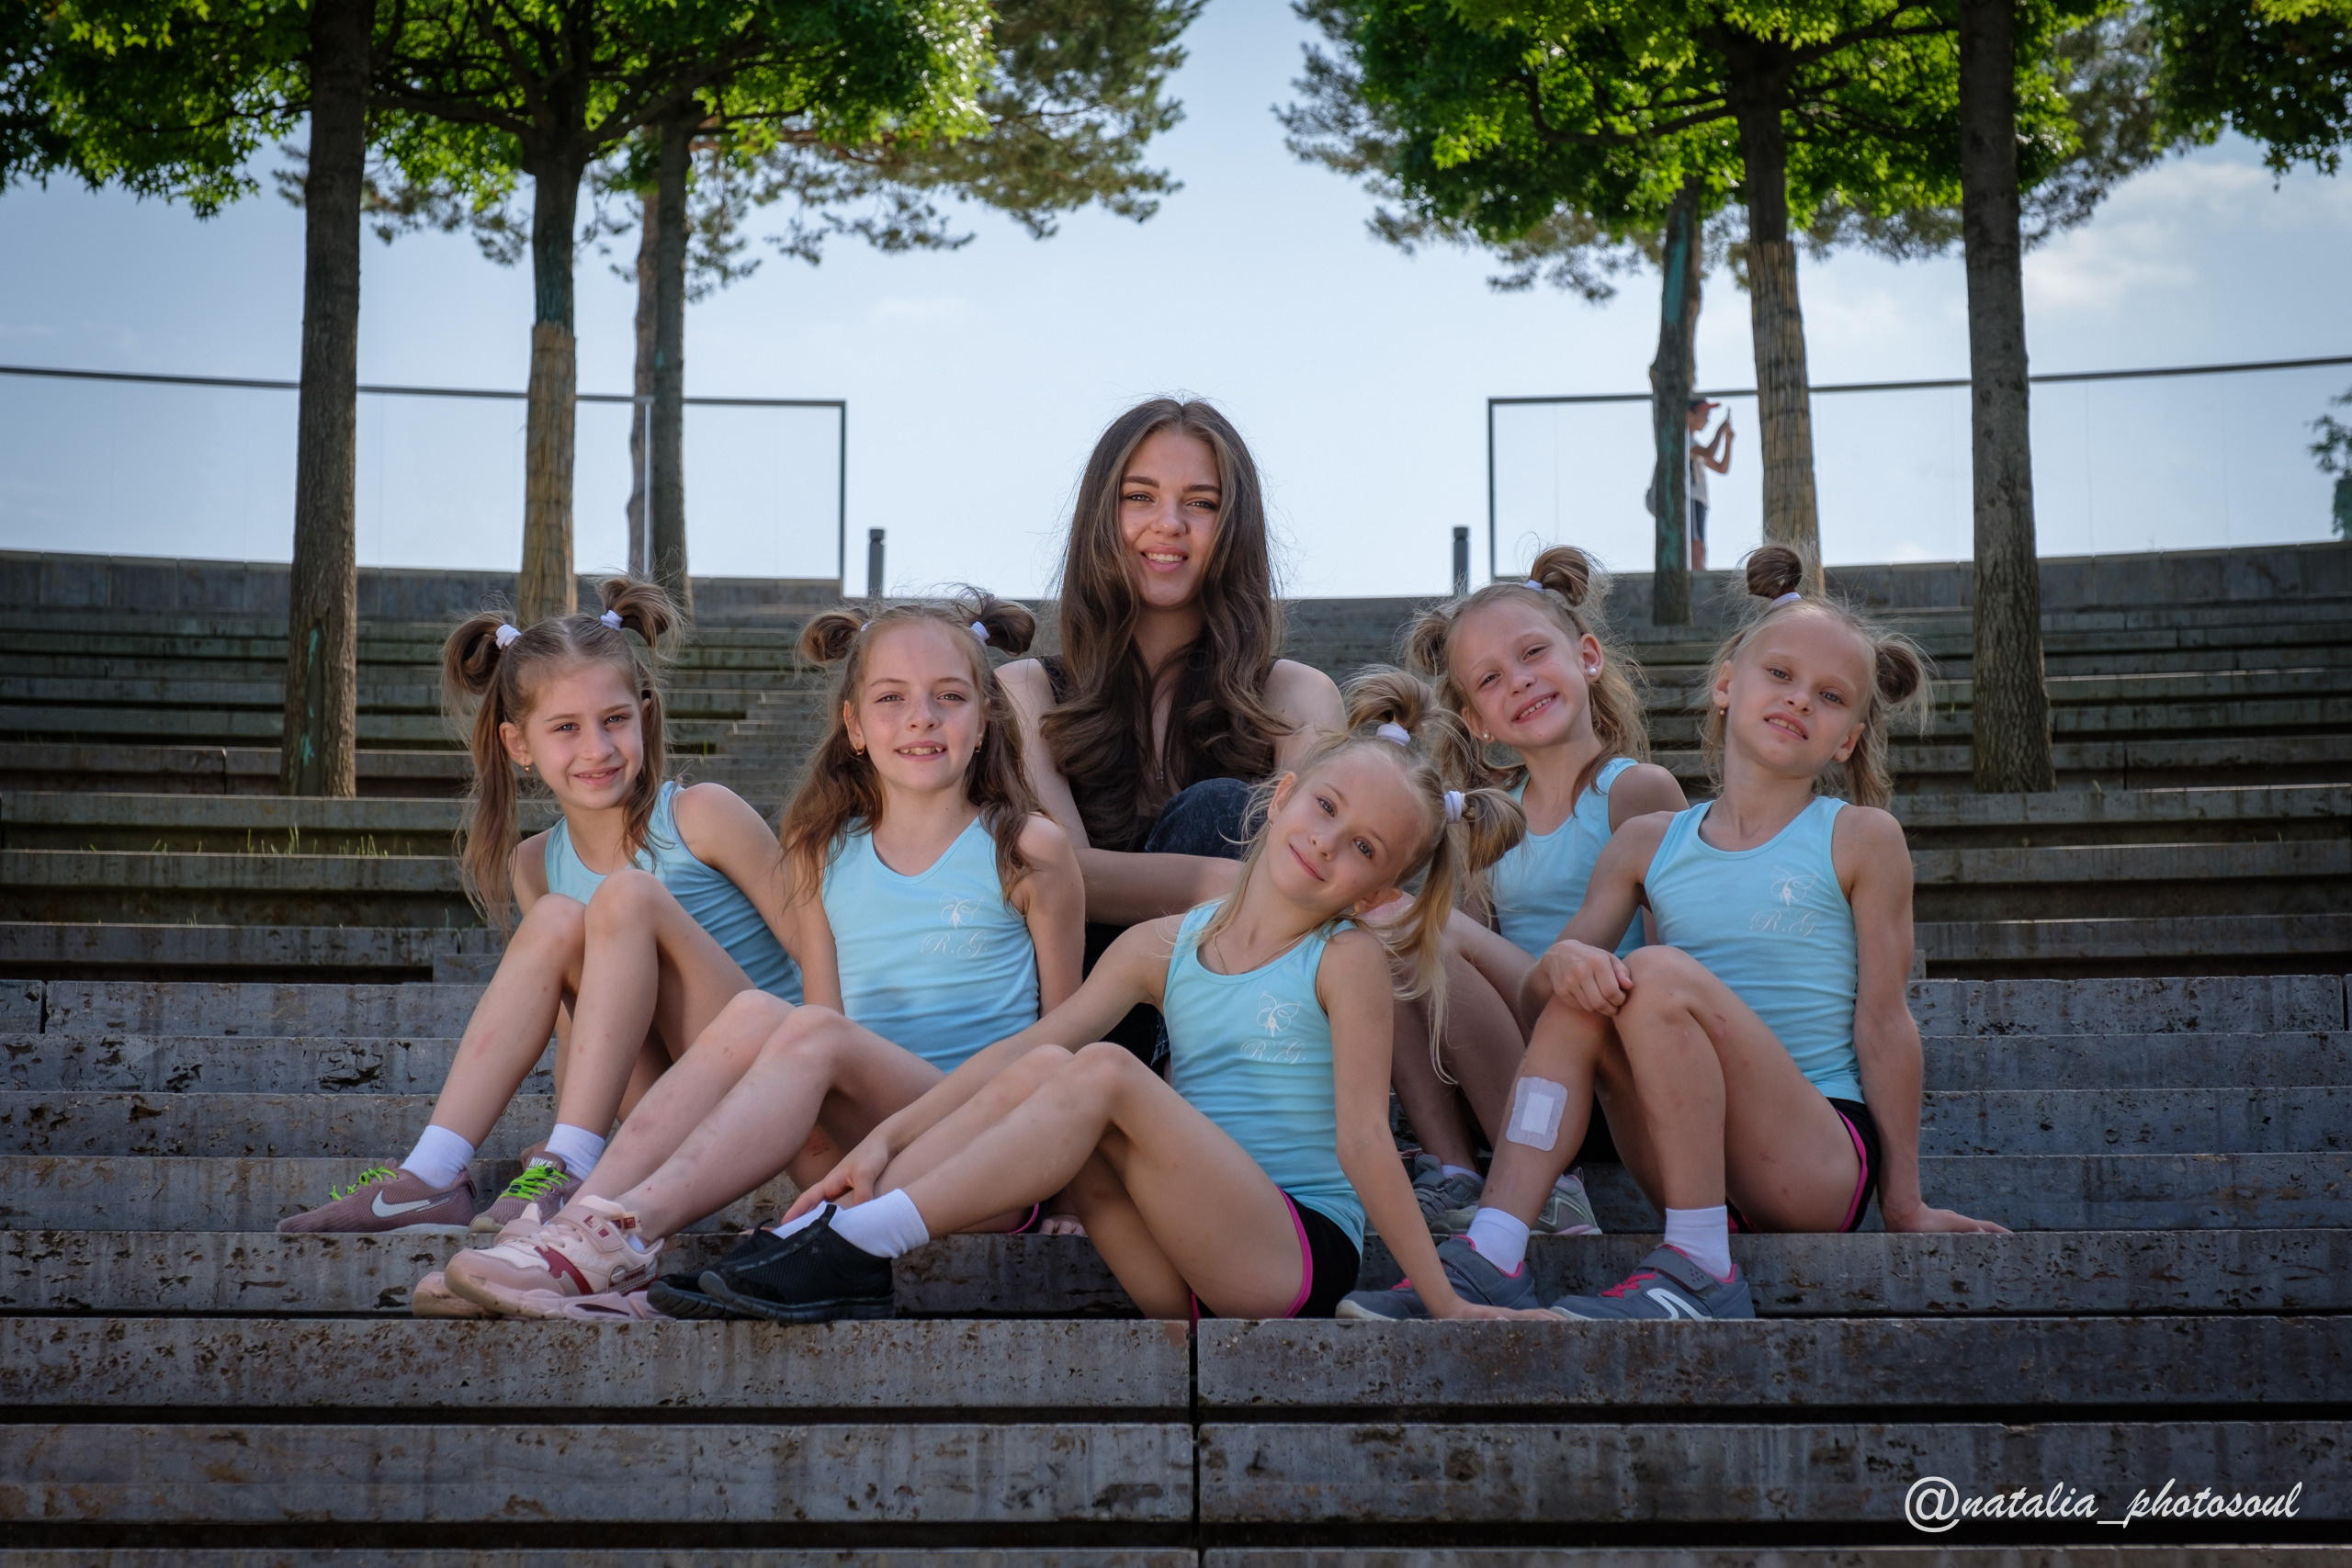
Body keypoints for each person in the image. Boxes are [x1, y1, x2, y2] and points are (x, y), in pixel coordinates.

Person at [627, 671, 1528, 1325]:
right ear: (1284, 794)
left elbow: (1365, 1140)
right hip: (1172, 1271)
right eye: (1327, 808)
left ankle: (859, 1245)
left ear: (1376, 894)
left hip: (1287, 1257)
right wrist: (885, 1138)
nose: (1330, 843)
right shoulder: (1161, 946)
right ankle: (841, 1224)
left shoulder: (1345, 959)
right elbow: (1022, 1055)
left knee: (1106, 1070)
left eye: (1365, 848)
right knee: (1052, 1067)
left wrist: (1443, 1298)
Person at [1343, 545, 2005, 1325]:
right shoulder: (1648, 843)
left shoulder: (1862, 837)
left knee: (1649, 971)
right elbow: (1537, 998)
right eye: (1780, 674)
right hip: (1685, 1154)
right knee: (1590, 984)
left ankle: (1699, 1266)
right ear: (1727, 685)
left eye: (1830, 696)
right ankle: (1492, 1249)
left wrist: (1904, 1201)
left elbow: (1886, 1022)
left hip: (1814, 1159)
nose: (1799, 699)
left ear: (1847, 740)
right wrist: (1562, 963)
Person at [433, 592, 1085, 1317]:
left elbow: (1067, 1038)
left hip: (980, 1159)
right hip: (849, 1156)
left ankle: (614, 1232)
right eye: (892, 697)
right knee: (765, 1018)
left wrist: (1070, 1197)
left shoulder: (1030, 850)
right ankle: (560, 1237)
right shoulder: (821, 853)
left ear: (986, 717)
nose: (922, 717)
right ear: (854, 726)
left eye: (950, 697)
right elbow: (823, 1019)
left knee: (800, 1026)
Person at [279, 579, 825, 1238]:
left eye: (614, 719)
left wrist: (853, 1108)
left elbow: (822, 955)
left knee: (626, 896)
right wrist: (567, 1124)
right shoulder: (535, 864)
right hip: (668, 1111)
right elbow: (581, 1027)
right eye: (566, 727)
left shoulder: (702, 814)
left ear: (644, 715)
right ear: (519, 746)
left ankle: (575, 1163)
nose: (597, 747)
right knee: (560, 919)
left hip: (777, 1088)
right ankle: (433, 1172)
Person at [1000, 398, 1344, 1058]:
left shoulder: (1297, 696)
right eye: (1140, 496)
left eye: (1202, 503)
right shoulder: (1027, 691)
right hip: (1088, 1022)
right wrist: (1244, 884)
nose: (1169, 524)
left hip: (1242, 1030)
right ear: (1102, 516)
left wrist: (1273, 887)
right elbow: (1063, 877)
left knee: (1218, 810)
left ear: (1234, 526)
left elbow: (1323, 885)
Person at [1390, 546, 1687, 1235]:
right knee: (1398, 944)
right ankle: (1457, 1166)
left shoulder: (1635, 792)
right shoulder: (1490, 818)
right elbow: (1455, 973)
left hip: (1612, 1071)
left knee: (1415, 923)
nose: (1520, 681)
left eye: (1532, 653)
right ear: (1476, 720)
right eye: (1490, 678)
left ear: (1587, 657)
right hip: (1511, 1066)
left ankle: (1547, 1183)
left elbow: (1678, 962)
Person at [1688, 398, 1733, 571]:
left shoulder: (1694, 444)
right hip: (1690, 499)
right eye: (1704, 415)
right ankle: (1699, 574)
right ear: (1689, 415)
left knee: (1699, 544)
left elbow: (1722, 468)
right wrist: (1720, 431)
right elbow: (1709, 452)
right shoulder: (1684, 440)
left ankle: (1699, 570)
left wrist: (1728, 442)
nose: (1707, 420)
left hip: (1699, 501)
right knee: (1695, 544)